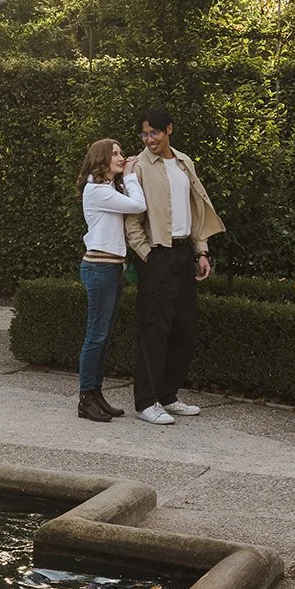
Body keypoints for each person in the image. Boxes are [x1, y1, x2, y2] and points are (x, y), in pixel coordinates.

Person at [124, 106, 225, 426]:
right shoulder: (138, 167)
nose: (149, 139)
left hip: (184, 254)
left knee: (184, 328)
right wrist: (147, 255)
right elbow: (132, 220)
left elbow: (196, 212)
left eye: (154, 132)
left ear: (169, 129)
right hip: (157, 255)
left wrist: (201, 252)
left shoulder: (184, 163)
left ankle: (168, 395)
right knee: (154, 328)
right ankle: (145, 401)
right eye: (144, 133)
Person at [75, 138, 147, 423]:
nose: (121, 156)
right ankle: (86, 398)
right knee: (96, 336)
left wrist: (126, 176)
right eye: (114, 154)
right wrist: (130, 175)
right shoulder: (96, 191)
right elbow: (138, 205)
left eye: (120, 153)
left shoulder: (107, 189)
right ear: (102, 159)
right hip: (99, 268)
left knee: (103, 338)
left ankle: (96, 394)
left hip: (111, 268)